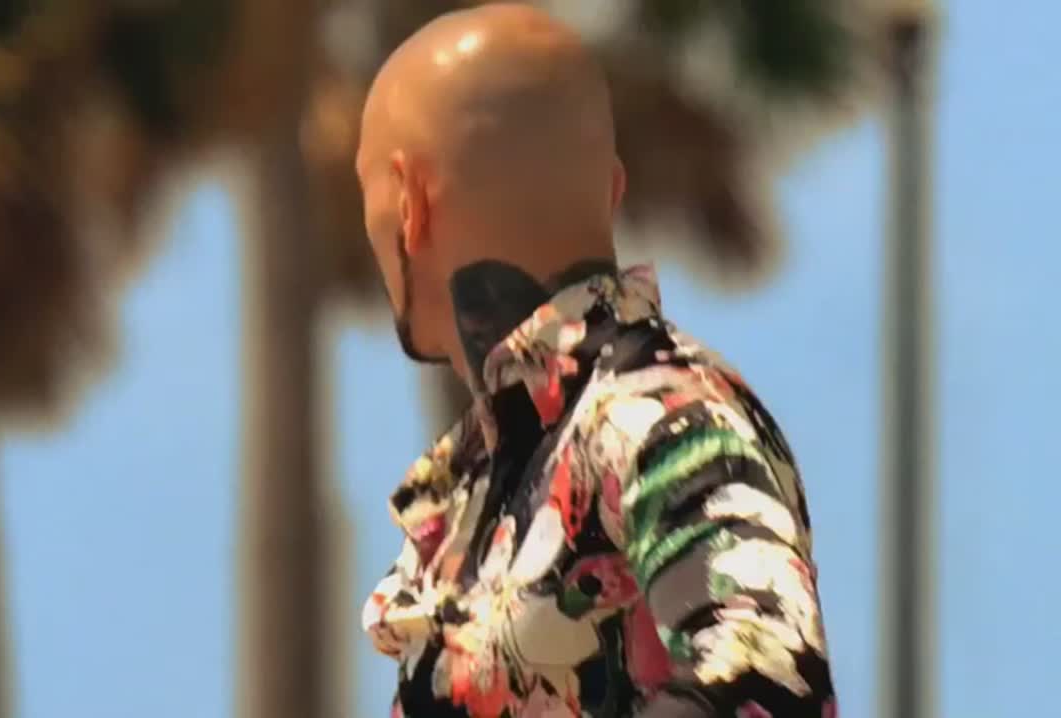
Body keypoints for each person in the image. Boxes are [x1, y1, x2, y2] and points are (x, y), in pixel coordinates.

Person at [356, 4, 835, 717]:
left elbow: (767, 686)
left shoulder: (663, 417)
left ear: (409, 202)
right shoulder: (493, 476)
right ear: (612, 192)